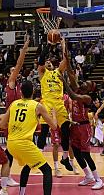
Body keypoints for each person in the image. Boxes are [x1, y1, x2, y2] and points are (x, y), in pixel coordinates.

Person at [0, 80, 57, 195]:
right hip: (24, 144)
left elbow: (1, 125)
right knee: (47, 170)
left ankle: (21, 192)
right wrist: (54, 114)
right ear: (33, 92)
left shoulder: (14, 104)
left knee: (28, 165)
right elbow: (54, 126)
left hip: (11, 144)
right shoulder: (37, 106)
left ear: (21, 92)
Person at [0, 37, 30, 186]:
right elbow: (18, 64)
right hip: (10, 120)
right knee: (10, 148)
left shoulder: (18, 86)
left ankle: (3, 171)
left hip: (17, 119)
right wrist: (24, 49)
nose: (15, 71)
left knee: (10, 148)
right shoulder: (10, 83)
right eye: (12, 71)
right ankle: (6, 174)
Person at [37, 38, 72, 171]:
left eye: (49, 62)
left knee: (65, 129)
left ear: (52, 64)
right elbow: (40, 60)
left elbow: (66, 60)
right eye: (46, 62)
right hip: (47, 103)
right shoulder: (42, 74)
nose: (47, 63)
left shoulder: (58, 72)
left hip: (59, 104)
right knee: (44, 130)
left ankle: (65, 158)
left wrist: (63, 45)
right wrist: (49, 45)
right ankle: (38, 158)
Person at [62, 77, 104, 190]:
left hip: (84, 128)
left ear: (90, 89)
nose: (84, 83)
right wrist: (67, 60)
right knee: (76, 152)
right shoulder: (79, 89)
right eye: (86, 81)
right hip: (75, 126)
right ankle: (88, 175)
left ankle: (99, 180)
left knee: (86, 154)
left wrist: (64, 81)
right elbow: (71, 75)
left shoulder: (87, 98)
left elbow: (73, 96)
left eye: (87, 83)